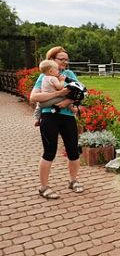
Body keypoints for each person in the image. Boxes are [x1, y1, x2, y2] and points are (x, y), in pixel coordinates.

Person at [30, 46, 84, 199]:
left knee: (73, 150)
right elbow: (34, 97)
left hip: (67, 117)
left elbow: (81, 92)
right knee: (49, 151)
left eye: (67, 59)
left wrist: (67, 101)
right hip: (49, 117)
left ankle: (73, 181)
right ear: (52, 60)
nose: (65, 62)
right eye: (62, 59)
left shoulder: (69, 74)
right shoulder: (45, 76)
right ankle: (44, 187)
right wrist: (59, 93)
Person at [32, 60, 77, 126]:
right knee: (66, 97)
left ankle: (37, 118)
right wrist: (62, 80)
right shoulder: (53, 78)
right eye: (57, 69)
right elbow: (59, 87)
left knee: (39, 105)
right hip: (53, 100)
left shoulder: (44, 77)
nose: (58, 71)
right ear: (50, 71)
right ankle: (71, 108)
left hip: (45, 97)